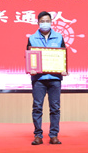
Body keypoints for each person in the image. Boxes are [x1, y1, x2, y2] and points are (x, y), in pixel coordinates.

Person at [27, 11, 66, 145]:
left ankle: (54, 135)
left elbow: (63, 56)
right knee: (37, 107)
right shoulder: (32, 38)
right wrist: (31, 68)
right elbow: (29, 57)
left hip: (55, 78)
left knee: (55, 108)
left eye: (47, 21)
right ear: (38, 23)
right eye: (42, 21)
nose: (45, 23)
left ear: (51, 22)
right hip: (38, 79)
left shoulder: (59, 37)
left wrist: (64, 68)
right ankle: (38, 135)